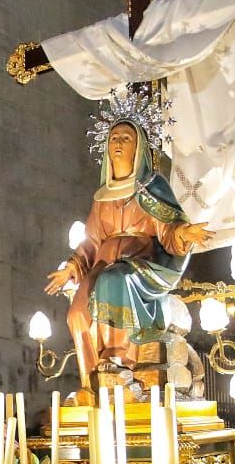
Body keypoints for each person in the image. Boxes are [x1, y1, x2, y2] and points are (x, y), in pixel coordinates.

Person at [43, 113, 209, 394]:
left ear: (139, 149)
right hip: (103, 262)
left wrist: (184, 234)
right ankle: (92, 381)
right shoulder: (101, 196)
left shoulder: (152, 187)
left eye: (126, 138)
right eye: (114, 139)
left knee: (114, 281)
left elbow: (169, 230)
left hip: (139, 263)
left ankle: (122, 363)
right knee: (77, 312)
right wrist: (72, 267)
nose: (118, 144)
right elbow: (91, 242)